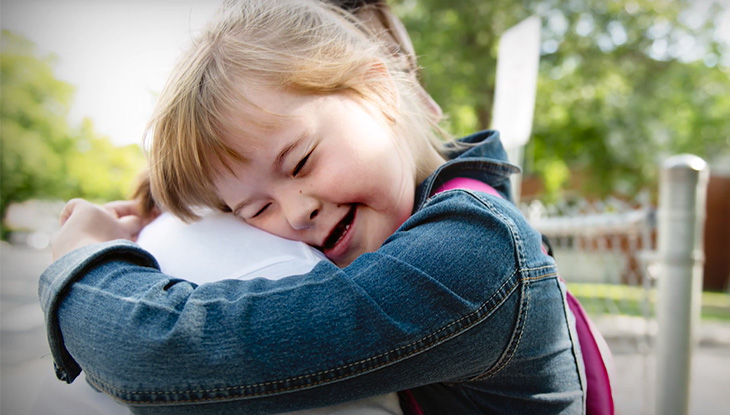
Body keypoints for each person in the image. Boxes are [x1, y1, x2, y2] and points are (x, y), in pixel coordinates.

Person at [40, 0, 586, 413]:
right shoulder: (455, 212)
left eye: (300, 161)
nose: (296, 212)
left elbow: (162, 354)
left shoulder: (472, 255)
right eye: (255, 209)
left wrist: (84, 255)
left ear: (379, 89)